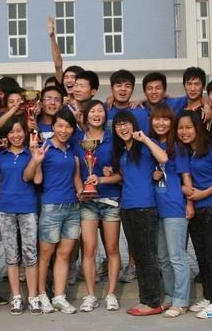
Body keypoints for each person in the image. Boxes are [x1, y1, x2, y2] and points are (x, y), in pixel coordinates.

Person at [112, 111, 168, 316]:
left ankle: (153, 302)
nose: (123, 128)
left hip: (145, 207)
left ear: (134, 125)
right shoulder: (122, 152)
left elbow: (163, 158)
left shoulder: (145, 145)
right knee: (138, 255)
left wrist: (144, 139)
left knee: (147, 255)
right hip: (127, 208)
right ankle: (145, 299)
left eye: (126, 123)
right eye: (119, 125)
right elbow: (126, 178)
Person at [28, 108, 83, 314]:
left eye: (68, 126)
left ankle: (59, 296)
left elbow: (76, 178)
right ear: (52, 127)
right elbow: (36, 179)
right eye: (60, 125)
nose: (64, 130)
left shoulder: (71, 150)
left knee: (65, 253)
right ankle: (42, 294)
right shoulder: (45, 147)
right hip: (51, 207)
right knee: (46, 254)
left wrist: (84, 193)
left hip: (72, 207)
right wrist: (36, 160)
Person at [176, 110, 212, 320]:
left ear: (197, 128)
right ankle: (208, 297)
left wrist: (203, 194)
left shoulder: (211, 149)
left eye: (189, 127)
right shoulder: (185, 151)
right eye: (181, 128)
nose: (184, 131)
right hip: (195, 209)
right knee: (201, 255)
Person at [75, 100, 122, 312]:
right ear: (86, 115)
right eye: (92, 111)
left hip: (110, 200)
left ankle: (111, 294)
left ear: (105, 115)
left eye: (100, 111)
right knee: (89, 249)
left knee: (112, 249)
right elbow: (75, 171)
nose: (96, 114)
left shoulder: (113, 140)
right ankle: (91, 295)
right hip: (88, 203)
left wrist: (103, 179)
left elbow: (121, 175)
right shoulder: (77, 139)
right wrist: (80, 190)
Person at [0, 116, 42, 315]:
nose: (16, 135)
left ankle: (33, 297)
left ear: (26, 132)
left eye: (19, 131)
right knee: (11, 255)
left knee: (30, 254)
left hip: (28, 208)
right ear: (6, 135)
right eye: (11, 132)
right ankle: (16, 296)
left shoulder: (32, 153)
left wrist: (35, 158)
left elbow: (37, 179)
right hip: (5, 209)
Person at [149, 103, 193, 318]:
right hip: (156, 208)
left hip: (175, 208)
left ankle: (181, 300)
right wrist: (154, 175)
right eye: (157, 118)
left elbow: (186, 177)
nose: (161, 123)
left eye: (165, 119)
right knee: (163, 258)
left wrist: (190, 203)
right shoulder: (152, 145)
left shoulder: (178, 147)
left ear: (171, 122)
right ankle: (169, 295)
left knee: (177, 257)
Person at [106, 70, 149, 134]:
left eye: (127, 86)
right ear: (111, 89)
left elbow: (145, 138)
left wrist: (142, 100)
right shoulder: (104, 111)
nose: (123, 89)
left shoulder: (140, 113)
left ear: (132, 89)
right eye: (119, 85)